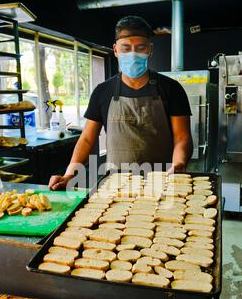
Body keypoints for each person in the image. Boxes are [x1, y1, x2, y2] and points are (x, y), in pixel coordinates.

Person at [49, 15, 193, 191]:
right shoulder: (102, 92)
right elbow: (87, 139)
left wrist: (178, 163)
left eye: (140, 48)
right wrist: (70, 174)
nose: (133, 54)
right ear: (116, 50)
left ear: (150, 50)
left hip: (163, 182)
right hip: (116, 185)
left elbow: (182, 137)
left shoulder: (171, 89)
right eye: (126, 48)